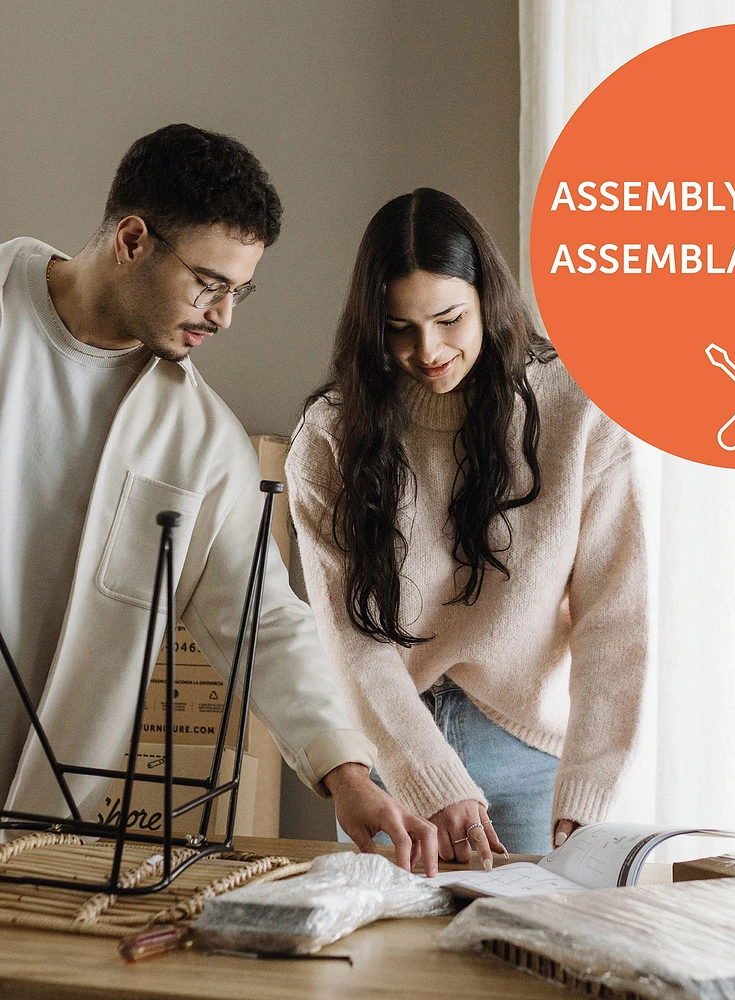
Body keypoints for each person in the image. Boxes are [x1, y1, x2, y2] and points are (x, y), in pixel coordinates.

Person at [0, 124, 438, 873]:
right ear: (131, 240)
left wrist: (348, 774)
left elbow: (265, 619)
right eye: (208, 283)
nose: (224, 315)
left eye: (239, 291)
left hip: (33, 835)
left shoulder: (204, 444)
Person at [286, 187, 648, 864]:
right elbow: (350, 638)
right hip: (389, 749)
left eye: (449, 318)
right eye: (399, 329)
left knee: (531, 961)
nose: (428, 350)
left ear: (488, 297)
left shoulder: (576, 413)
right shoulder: (330, 437)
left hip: (529, 755)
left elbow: (614, 619)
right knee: (386, 963)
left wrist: (589, 790)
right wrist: (428, 774)